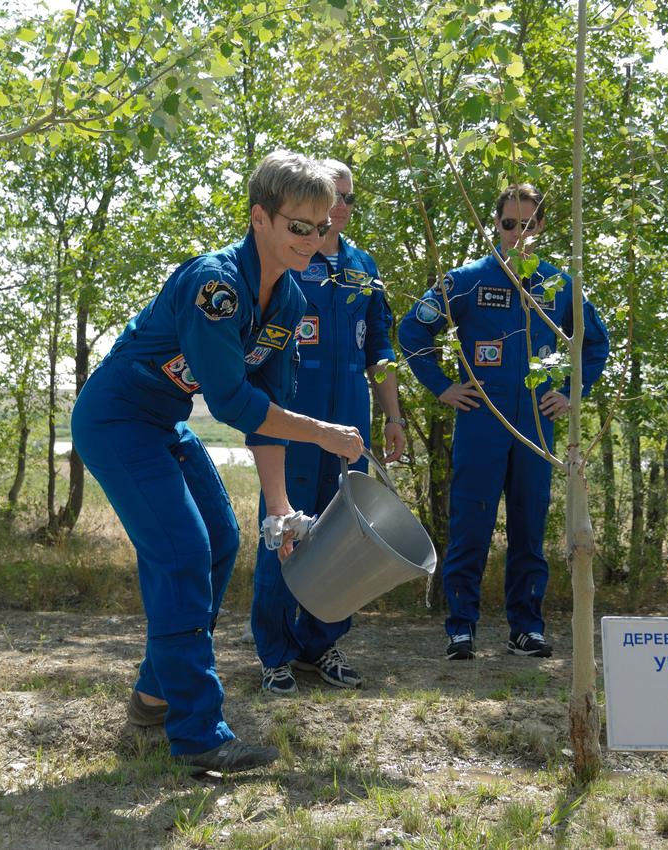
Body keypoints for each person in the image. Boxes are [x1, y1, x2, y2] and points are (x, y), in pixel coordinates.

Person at [70, 150, 365, 774]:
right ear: (261, 218)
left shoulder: (287, 299)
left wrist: (282, 511)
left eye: (322, 226)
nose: (314, 240)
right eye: (299, 227)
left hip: (164, 422)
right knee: (181, 553)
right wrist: (323, 435)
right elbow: (234, 402)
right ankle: (199, 732)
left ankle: (154, 698)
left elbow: (271, 401)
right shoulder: (216, 286)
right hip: (117, 419)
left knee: (223, 540)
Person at [397, 182, 609, 661]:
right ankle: (461, 628)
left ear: (541, 227)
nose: (517, 233)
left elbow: (595, 344)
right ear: (495, 224)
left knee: (529, 530)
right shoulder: (468, 280)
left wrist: (572, 394)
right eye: (508, 224)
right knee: (470, 526)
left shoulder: (560, 285)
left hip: (536, 424)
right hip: (481, 421)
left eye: (527, 225)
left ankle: (525, 628)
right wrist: (441, 385)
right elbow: (412, 329)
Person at [249, 159, 406, 696]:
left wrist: (394, 415)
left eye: (348, 198)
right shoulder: (288, 258)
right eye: (331, 195)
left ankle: (324, 643)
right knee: (286, 529)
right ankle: (275, 653)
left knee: (346, 537)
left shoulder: (364, 266)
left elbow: (379, 348)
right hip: (293, 418)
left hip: (350, 424)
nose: (338, 207)